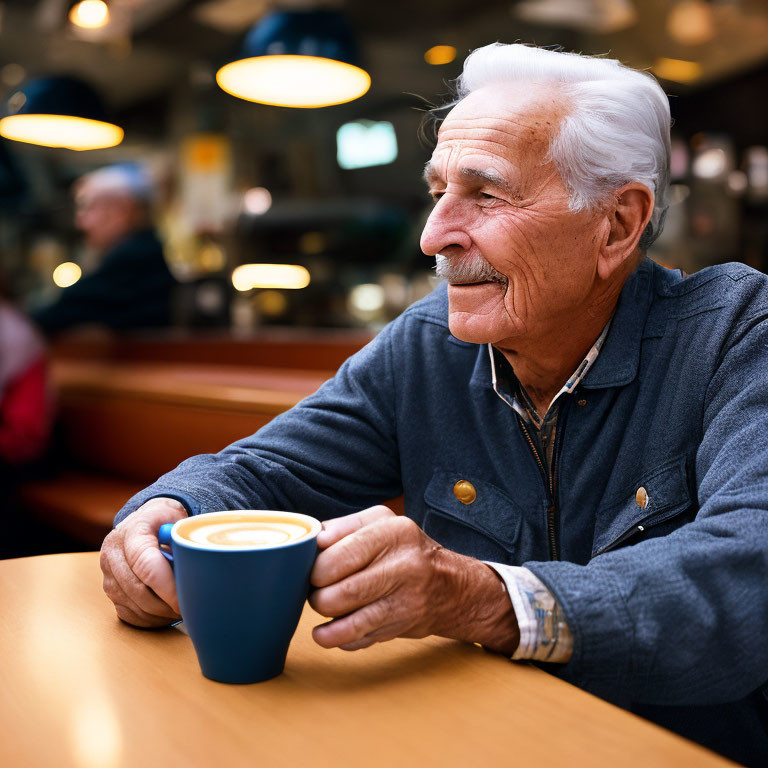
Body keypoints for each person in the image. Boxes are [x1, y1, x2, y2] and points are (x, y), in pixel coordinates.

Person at [99, 45, 768, 766]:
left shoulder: (736, 330)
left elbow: (746, 578)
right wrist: (164, 517)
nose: (434, 236)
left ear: (615, 225)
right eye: (438, 191)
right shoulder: (426, 346)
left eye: (485, 195)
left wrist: (478, 597)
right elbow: (259, 473)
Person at [32, 163, 176, 336]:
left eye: (88, 207)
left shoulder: (134, 259)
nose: (81, 222)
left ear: (123, 210)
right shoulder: (142, 252)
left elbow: (65, 311)